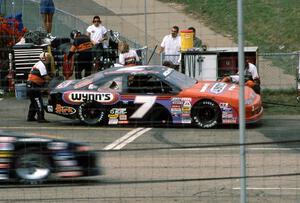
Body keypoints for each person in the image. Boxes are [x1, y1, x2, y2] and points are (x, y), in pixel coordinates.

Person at [27, 52, 52, 123]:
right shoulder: (41, 65)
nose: (49, 60)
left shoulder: (38, 64)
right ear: (44, 58)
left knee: (33, 102)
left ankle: (30, 117)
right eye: (48, 58)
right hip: (33, 85)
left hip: (31, 85)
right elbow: (45, 77)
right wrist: (53, 79)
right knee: (38, 101)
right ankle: (41, 118)